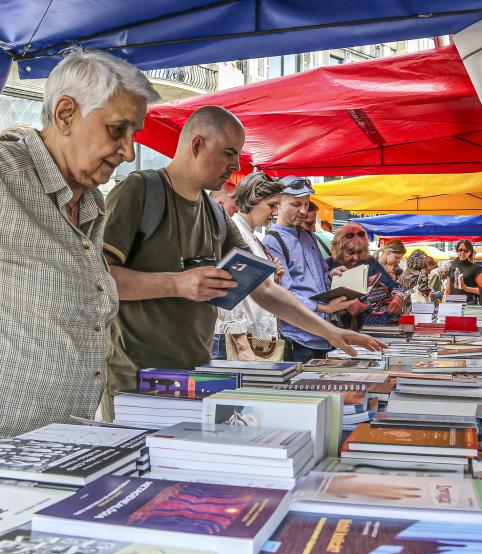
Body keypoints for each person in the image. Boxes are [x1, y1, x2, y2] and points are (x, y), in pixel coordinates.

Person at [102, 109, 383, 419]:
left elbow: (263, 287)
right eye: (228, 154)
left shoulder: (216, 214)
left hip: (196, 376)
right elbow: (96, 279)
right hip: (137, 381)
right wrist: (177, 283)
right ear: (196, 145)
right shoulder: (140, 190)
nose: (235, 166)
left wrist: (329, 332)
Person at [0, 49, 159, 436]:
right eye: (117, 129)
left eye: (133, 134)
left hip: (65, 442)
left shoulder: (91, 201)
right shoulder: (5, 177)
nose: (129, 151)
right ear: (66, 114)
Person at [263, 176, 355, 362]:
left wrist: (332, 276)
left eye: (306, 204)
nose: (304, 211)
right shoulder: (272, 241)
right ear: (278, 203)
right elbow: (283, 293)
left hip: (322, 335)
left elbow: (319, 274)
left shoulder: (308, 236)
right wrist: (324, 307)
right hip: (298, 337)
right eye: (296, 204)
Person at [212, 172, 284, 360]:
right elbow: (226, 290)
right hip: (237, 343)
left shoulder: (252, 236)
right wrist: (243, 346)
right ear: (253, 199)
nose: (275, 213)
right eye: (271, 205)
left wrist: (273, 279)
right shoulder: (237, 232)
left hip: (250, 339)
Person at [327, 223, 403, 329]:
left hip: (363, 325)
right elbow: (316, 300)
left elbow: (394, 285)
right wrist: (345, 305)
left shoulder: (369, 262)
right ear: (338, 249)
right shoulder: (328, 265)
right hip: (335, 327)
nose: (356, 257)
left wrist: (397, 298)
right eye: (350, 253)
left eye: (360, 252)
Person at [444, 240, 482, 304]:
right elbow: (447, 290)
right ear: (457, 251)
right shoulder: (452, 267)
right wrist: (443, 305)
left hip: (469, 306)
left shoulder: (476, 268)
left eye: (465, 251)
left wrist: (466, 288)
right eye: (460, 250)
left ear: (470, 252)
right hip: (452, 305)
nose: (462, 253)